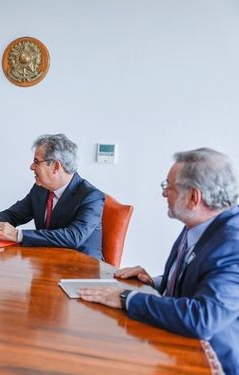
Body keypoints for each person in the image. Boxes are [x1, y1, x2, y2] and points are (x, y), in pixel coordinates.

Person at [79, 148, 239, 374]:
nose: (164, 194)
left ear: (194, 197)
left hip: (210, 362)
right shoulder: (201, 224)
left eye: (169, 187)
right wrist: (154, 282)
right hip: (176, 346)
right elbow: (199, 278)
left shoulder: (233, 244)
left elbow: (203, 318)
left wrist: (127, 298)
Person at [0, 133, 105, 259]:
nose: (31, 167)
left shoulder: (91, 197)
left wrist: (18, 235)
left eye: (36, 162)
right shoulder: (40, 188)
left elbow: (73, 237)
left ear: (55, 166)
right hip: (47, 263)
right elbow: (15, 214)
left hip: (82, 272)